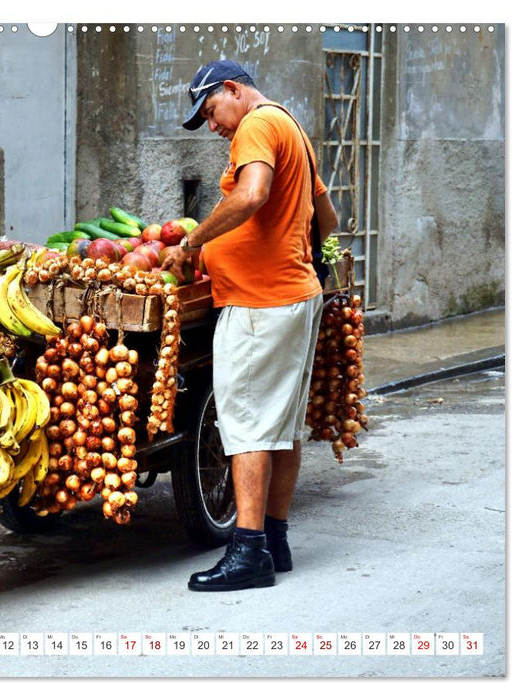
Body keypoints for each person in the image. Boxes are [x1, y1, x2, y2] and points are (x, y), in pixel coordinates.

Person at [162, 60, 339, 591]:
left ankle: (248, 553)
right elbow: (326, 220)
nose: (213, 126)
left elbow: (253, 193)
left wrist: (192, 243)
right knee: (280, 428)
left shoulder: (257, 125)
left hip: (261, 305)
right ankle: (274, 540)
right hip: (292, 296)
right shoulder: (291, 127)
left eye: (211, 111)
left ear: (233, 90)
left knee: (245, 428)